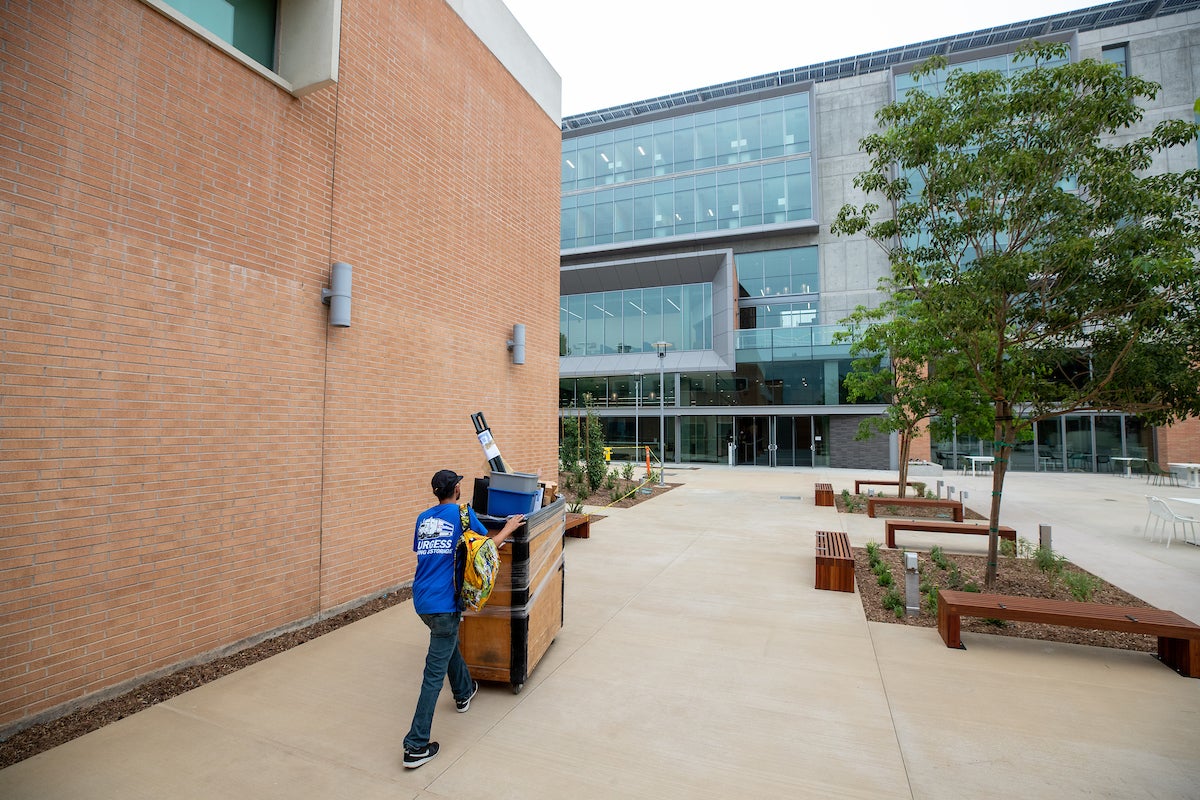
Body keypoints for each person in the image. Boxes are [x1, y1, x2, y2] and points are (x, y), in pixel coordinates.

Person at [402, 469, 524, 769]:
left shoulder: (423, 519)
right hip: (445, 603)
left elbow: (428, 554)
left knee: (447, 642)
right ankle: (416, 745)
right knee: (433, 674)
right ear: (457, 489)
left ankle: (464, 691)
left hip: (422, 601)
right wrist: (508, 527)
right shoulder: (463, 515)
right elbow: (484, 548)